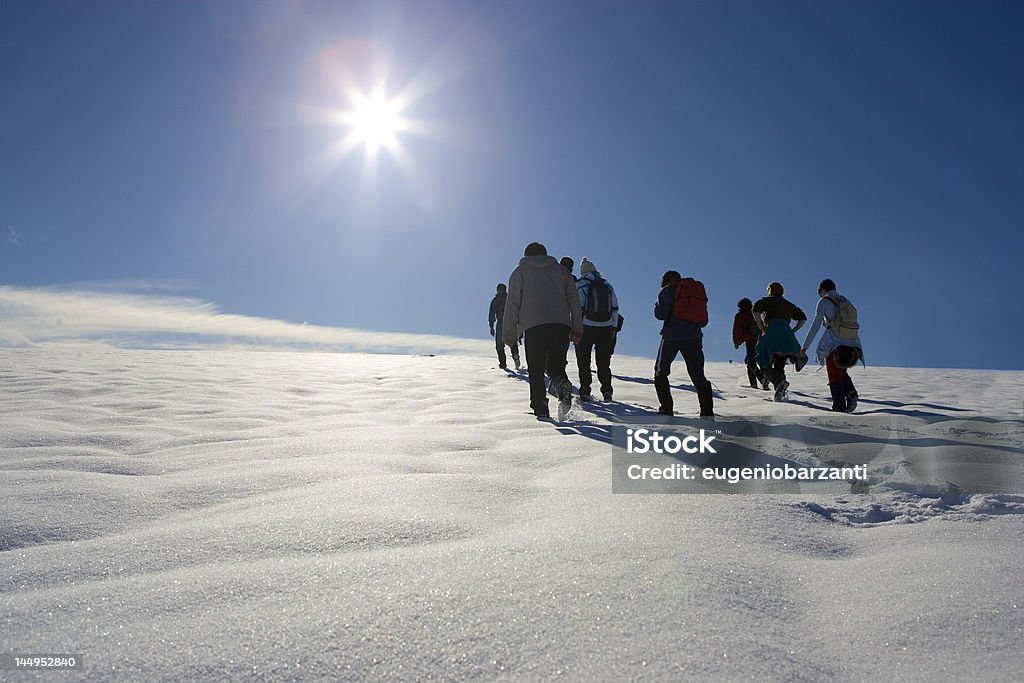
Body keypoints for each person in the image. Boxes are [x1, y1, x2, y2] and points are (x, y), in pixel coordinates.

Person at [503, 243, 583, 418]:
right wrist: (577, 327)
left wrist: (509, 335)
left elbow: (512, 304)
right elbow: (574, 300)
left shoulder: (520, 271)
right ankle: (561, 384)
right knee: (556, 364)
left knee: (536, 369)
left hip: (533, 326)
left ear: (526, 255)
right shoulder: (562, 271)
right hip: (560, 326)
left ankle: (540, 408)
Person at [653, 270, 714, 418]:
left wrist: (657, 306)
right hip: (694, 338)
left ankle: (666, 409)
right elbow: (704, 321)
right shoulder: (695, 292)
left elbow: (661, 314)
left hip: (671, 337)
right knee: (698, 375)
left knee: (661, 372)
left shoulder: (666, 291)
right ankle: (707, 413)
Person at [800, 278, 863, 412]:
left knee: (834, 373)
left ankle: (838, 407)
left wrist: (805, 347)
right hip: (852, 341)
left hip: (834, 342)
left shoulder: (824, 301)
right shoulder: (845, 300)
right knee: (841, 370)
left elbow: (816, 325)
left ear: (822, 290)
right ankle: (851, 392)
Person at [752, 282, 807, 402]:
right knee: (780, 365)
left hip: (771, 330)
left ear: (770, 290)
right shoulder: (789, 305)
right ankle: (780, 390)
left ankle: (778, 382)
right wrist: (793, 331)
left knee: (763, 362)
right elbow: (802, 318)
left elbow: (755, 310)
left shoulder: (765, 301)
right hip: (786, 334)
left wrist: (761, 325)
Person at [575, 258, 619, 402]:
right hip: (605, 327)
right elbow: (615, 308)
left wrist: (575, 327)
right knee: (603, 360)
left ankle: (585, 389)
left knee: (583, 359)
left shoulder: (581, 284)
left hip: (586, 326)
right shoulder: (607, 285)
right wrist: (613, 326)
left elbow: (578, 307)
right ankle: (607, 390)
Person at [732, 298, 765, 390]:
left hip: (749, 340)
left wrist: (736, 342)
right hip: (759, 339)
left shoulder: (740, 315)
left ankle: (762, 380)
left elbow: (736, 329)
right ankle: (754, 384)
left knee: (750, 362)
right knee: (750, 361)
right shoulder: (754, 313)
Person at [488, 283, 521, 370]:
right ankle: (516, 356)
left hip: (500, 323)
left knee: (499, 345)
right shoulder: (510, 299)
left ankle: (503, 364)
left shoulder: (495, 300)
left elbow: (491, 314)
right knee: (512, 341)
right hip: (511, 323)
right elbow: (517, 311)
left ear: (497, 290)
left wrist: (491, 326)